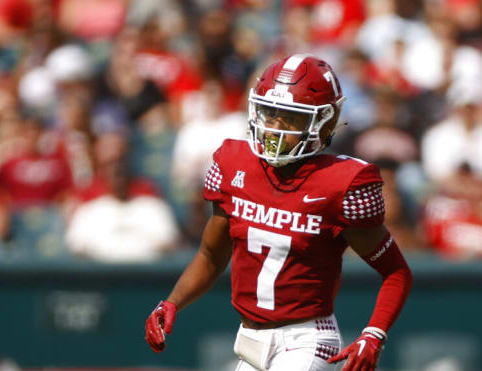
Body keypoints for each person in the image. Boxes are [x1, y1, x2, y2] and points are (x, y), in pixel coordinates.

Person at [144, 54, 413, 371]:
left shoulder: (342, 183)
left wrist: (374, 333)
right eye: (270, 113)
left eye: (289, 118)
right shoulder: (233, 164)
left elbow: (396, 272)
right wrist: (173, 301)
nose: (274, 128)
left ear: (323, 122)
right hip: (250, 341)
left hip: (307, 339)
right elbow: (211, 254)